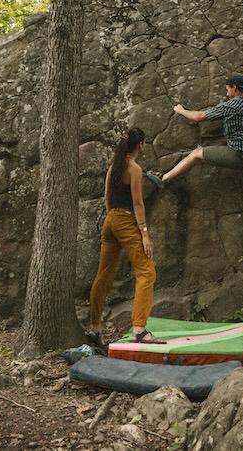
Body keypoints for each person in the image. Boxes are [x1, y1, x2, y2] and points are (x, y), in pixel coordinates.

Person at [160, 73, 243, 248]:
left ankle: (164, 179)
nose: (226, 92)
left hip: (237, 156)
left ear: (235, 88)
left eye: (227, 88)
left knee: (196, 154)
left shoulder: (231, 106)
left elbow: (199, 117)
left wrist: (181, 111)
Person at [87, 128, 165, 347]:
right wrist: (145, 234)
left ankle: (95, 328)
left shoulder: (114, 167)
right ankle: (140, 330)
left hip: (110, 221)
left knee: (103, 275)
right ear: (140, 145)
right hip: (126, 221)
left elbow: (107, 197)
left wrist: (113, 217)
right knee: (146, 272)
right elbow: (138, 204)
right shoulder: (134, 169)